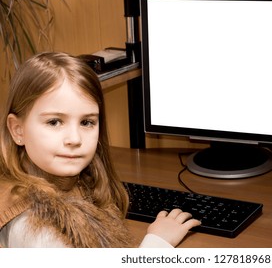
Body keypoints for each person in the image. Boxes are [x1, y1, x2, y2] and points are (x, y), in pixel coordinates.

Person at [0, 52, 201, 248]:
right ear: (18, 130)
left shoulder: (76, 181)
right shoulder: (34, 229)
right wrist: (158, 242)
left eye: (86, 122)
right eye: (54, 122)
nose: (75, 139)